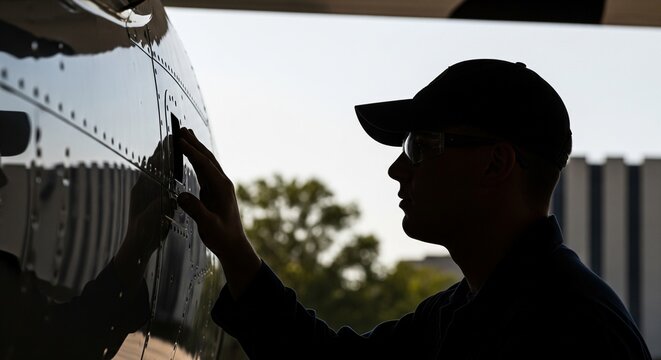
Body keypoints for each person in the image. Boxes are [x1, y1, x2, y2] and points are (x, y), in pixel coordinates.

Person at [176, 59, 652, 359]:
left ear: (496, 163)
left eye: (421, 145)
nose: (397, 170)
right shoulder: (465, 309)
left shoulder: (573, 332)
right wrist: (236, 251)